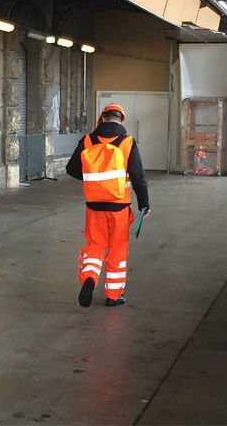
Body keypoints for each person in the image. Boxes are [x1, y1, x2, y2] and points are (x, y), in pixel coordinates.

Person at [66, 103, 149, 307]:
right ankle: (114, 295)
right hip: (119, 208)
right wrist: (144, 204)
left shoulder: (88, 140)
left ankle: (89, 278)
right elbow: (138, 177)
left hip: (94, 206)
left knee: (95, 245)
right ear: (121, 119)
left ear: (102, 118)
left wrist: (93, 178)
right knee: (117, 249)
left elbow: (72, 169)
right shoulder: (127, 142)